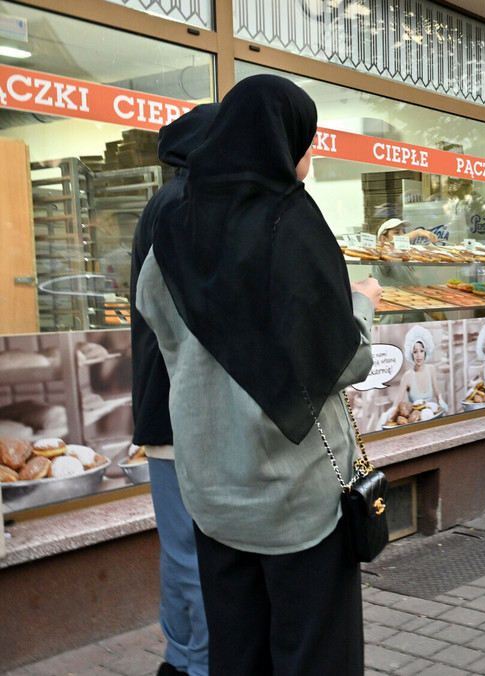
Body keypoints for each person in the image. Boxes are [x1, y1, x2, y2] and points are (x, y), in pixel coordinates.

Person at [136, 74, 381, 676]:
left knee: (237, 652)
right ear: (281, 140)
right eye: (306, 141)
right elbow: (346, 361)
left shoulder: (174, 225)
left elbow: (161, 328)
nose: (308, 156)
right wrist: (365, 304)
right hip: (295, 496)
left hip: (213, 489)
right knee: (312, 653)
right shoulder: (292, 225)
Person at [130, 103, 218, 676]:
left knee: (180, 549)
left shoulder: (166, 200)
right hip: (181, 409)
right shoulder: (188, 206)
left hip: (166, 407)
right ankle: (199, 663)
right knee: (195, 553)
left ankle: (181, 657)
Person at [399, 326, 444, 408]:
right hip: (416, 418)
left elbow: (437, 392)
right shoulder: (407, 376)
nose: (419, 355)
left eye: (421, 351)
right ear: (411, 354)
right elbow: (397, 403)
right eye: (415, 351)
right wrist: (388, 414)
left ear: (425, 352)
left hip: (430, 414)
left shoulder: (431, 369)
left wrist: (441, 400)